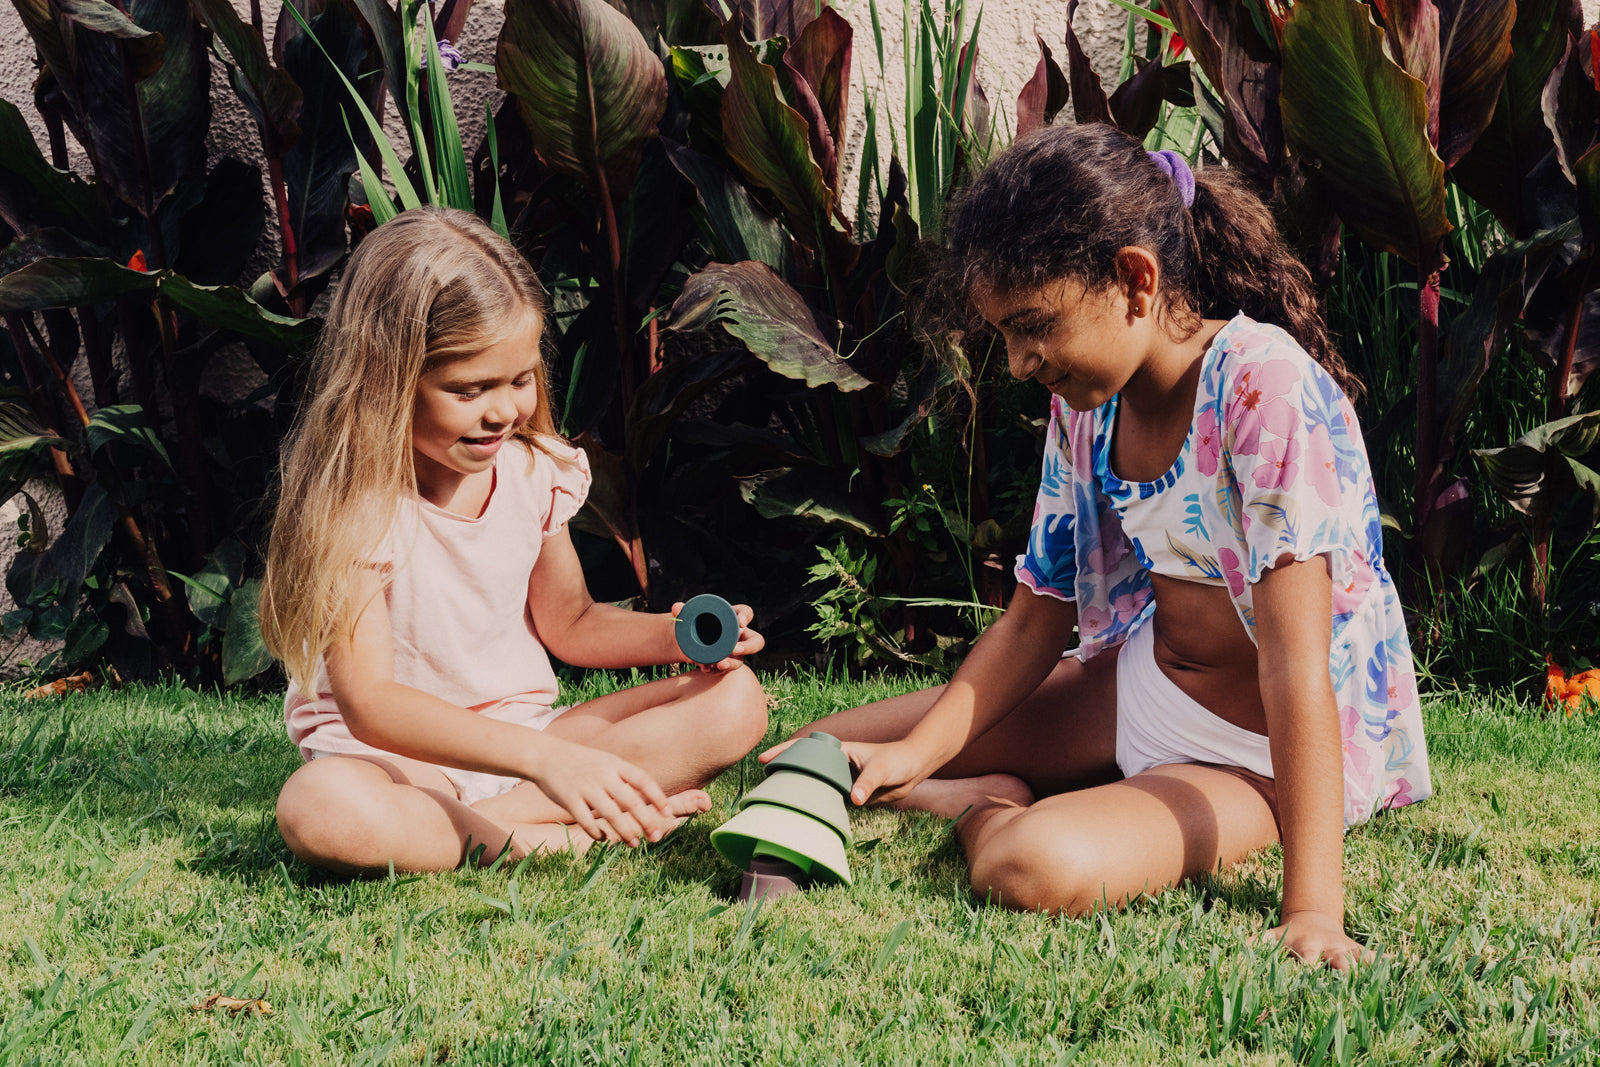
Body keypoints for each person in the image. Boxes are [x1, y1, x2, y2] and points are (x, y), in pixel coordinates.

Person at [765, 124, 1431, 968]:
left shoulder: (1264, 388)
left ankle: (985, 808)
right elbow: (1030, 622)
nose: (1014, 362)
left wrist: (1312, 910)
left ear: (1134, 280)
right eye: (1002, 333)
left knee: (1028, 864)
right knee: (814, 750)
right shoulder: (1088, 404)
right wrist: (913, 751)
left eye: (1032, 326)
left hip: (1252, 756)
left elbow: (1297, 665)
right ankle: (974, 781)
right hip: (1136, 689)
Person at [263, 206, 768, 875]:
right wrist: (550, 763)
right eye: (470, 389)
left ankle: (484, 827)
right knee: (319, 808)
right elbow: (372, 704)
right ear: (388, 381)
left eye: (520, 379)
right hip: (402, 762)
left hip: (529, 739)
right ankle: (537, 834)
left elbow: (573, 623)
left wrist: (675, 638)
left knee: (735, 701)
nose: (504, 410)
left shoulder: (532, 472)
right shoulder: (358, 509)